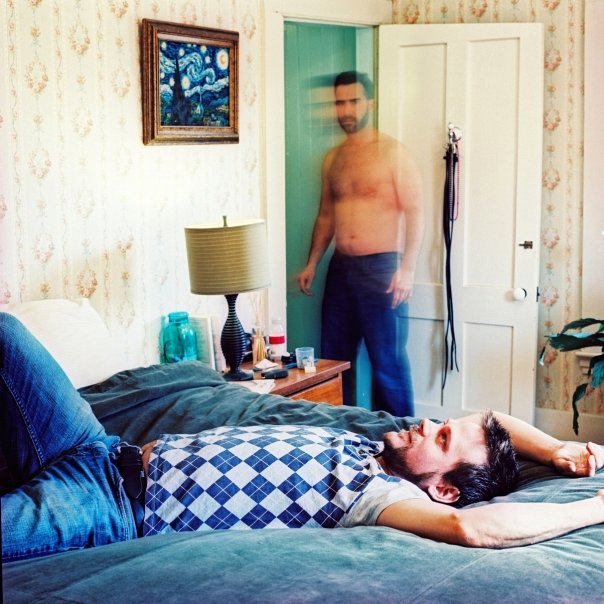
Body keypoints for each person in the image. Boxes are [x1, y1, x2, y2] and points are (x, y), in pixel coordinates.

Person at [2, 312, 604, 562]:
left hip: (106, 508)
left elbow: (473, 529)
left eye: (441, 437)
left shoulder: (384, 497)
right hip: (100, 448)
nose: (424, 423)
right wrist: (555, 450)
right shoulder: (380, 447)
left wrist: (595, 506)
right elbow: (492, 419)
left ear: (443, 489)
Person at [297, 70, 424, 417]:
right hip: (340, 268)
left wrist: (408, 269)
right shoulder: (333, 158)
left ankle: (401, 437)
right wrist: (312, 262)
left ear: (371, 103)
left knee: (387, 364)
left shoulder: (392, 153)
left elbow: (415, 211)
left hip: (382, 267)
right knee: (335, 361)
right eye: (340, 103)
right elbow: (326, 215)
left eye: (354, 101)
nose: (346, 110)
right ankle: (344, 435)